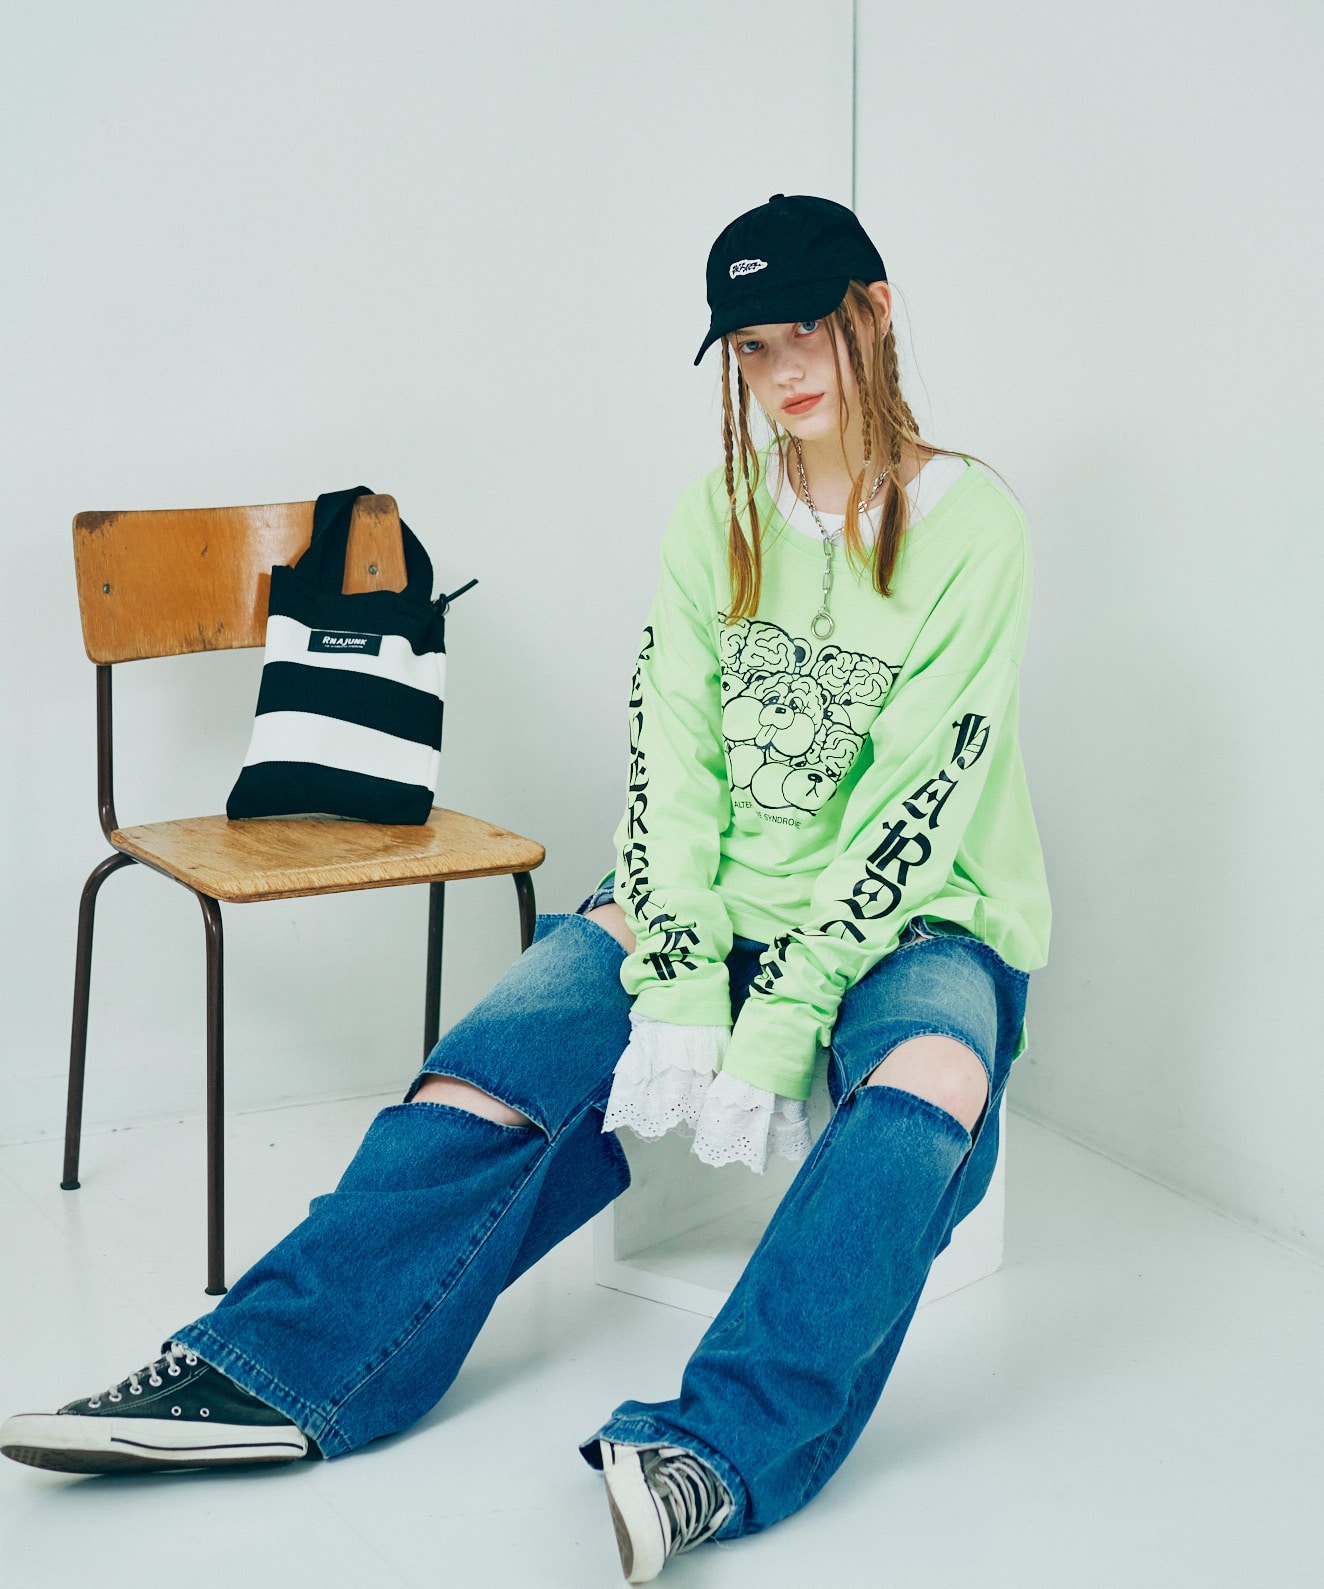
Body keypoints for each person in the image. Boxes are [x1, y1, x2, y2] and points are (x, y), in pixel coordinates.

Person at [1, 194, 1050, 1584]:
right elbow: (671, 758)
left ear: (878, 310)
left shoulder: (974, 528)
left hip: (915, 912)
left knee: (930, 1087)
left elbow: (916, 797)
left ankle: (715, 1450)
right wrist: (683, 973)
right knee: (487, 1074)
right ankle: (273, 1366)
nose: (783, 370)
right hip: (705, 895)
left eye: (808, 329)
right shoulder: (717, 516)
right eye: (751, 347)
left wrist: (788, 1015)